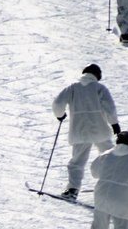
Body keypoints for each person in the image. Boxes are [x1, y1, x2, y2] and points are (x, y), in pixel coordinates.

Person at [51, 64, 120, 200]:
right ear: (97, 76)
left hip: (79, 131)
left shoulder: (72, 88)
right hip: (99, 129)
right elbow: (110, 108)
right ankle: (121, 185)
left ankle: (72, 190)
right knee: (111, 156)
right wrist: (115, 124)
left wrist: (60, 115)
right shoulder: (99, 88)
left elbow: (58, 103)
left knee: (77, 161)